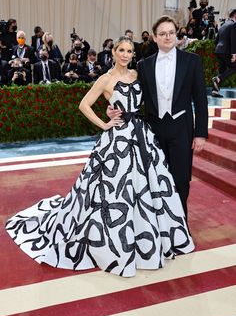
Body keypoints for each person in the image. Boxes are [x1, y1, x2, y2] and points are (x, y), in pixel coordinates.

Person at [5, 36, 194, 278]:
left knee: (148, 188)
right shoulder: (106, 79)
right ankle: (117, 243)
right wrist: (105, 124)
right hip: (118, 140)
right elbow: (84, 105)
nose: (126, 55)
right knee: (118, 190)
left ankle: (150, 237)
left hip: (143, 136)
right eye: (121, 50)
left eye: (129, 51)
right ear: (113, 52)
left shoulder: (138, 74)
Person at [136, 16, 208, 218]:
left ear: (176, 35)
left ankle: (180, 225)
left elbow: (201, 99)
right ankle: (159, 224)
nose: (167, 37)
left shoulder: (192, 61)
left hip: (182, 129)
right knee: (155, 179)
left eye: (171, 33)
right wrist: (115, 110)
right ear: (154, 37)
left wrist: (201, 133)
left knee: (182, 179)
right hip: (154, 129)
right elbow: (136, 99)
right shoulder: (144, 65)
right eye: (162, 34)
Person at [212, 8, 236, 98]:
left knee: (222, 70)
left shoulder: (224, 25)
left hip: (219, 50)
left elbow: (216, 40)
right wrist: (234, 54)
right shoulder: (233, 24)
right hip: (226, 50)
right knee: (234, 67)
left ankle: (215, 91)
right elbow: (233, 40)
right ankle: (218, 79)